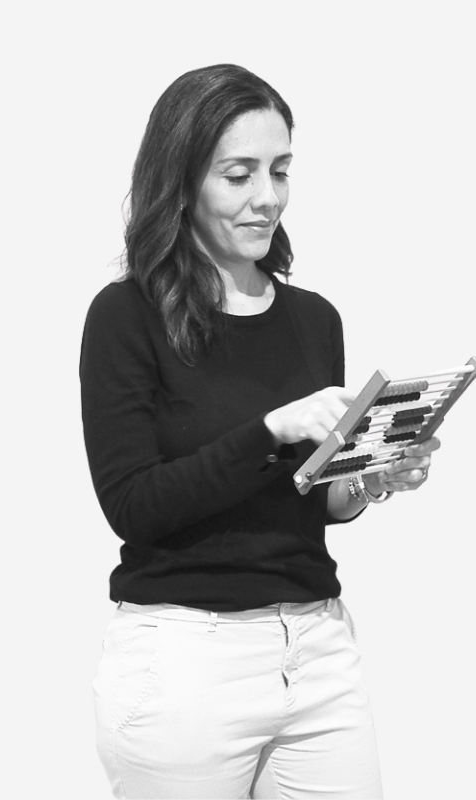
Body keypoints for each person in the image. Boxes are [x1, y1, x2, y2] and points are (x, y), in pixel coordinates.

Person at [80, 64, 439, 800]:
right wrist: (270, 430)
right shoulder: (126, 316)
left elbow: (312, 500)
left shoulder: (315, 318)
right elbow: (133, 505)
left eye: (280, 171)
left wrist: (367, 480)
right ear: (182, 184)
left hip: (318, 649)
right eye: (238, 174)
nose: (267, 197)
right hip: (186, 664)